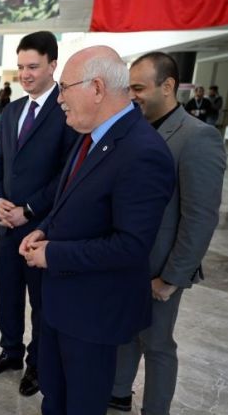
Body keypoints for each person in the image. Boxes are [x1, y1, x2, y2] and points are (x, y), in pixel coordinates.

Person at [20, 45, 175, 415]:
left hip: (93, 315)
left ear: (97, 88)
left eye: (65, 88)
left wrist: (52, 253)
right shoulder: (88, 135)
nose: (59, 99)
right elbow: (71, 200)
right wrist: (43, 230)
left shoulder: (142, 151)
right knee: (54, 400)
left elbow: (130, 246)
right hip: (60, 304)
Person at [109, 52, 226, 414]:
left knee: (157, 345)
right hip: (127, 264)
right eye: (130, 88)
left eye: (140, 88)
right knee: (125, 335)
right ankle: (118, 394)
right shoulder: (134, 130)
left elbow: (200, 217)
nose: (132, 95)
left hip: (160, 270)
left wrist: (171, 278)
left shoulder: (198, 138)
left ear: (169, 86)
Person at [0, 30, 77, 397]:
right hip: (7, 226)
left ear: (53, 65)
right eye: (20, 66)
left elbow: (67, 174)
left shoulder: (66, 109)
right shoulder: (11, 111)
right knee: (7, 294)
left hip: (41, 227)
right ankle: (10, 352)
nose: (24, 74)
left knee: (40, 301)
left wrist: (29, 210)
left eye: (33, 66)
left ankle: (37, 363)